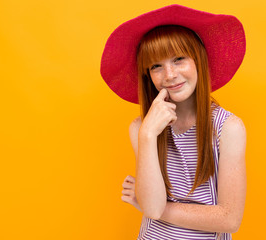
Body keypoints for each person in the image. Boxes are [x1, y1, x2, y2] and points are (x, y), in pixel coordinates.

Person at [100, 4, 246, 240]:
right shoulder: (142, 128)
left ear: (198, 60)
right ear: (147, 73)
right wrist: (148, 135)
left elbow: (229, 219)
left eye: (179, 59)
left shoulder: (227, 128)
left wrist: (145, 203)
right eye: (156, 65)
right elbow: (153, 208)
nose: (169, 75)